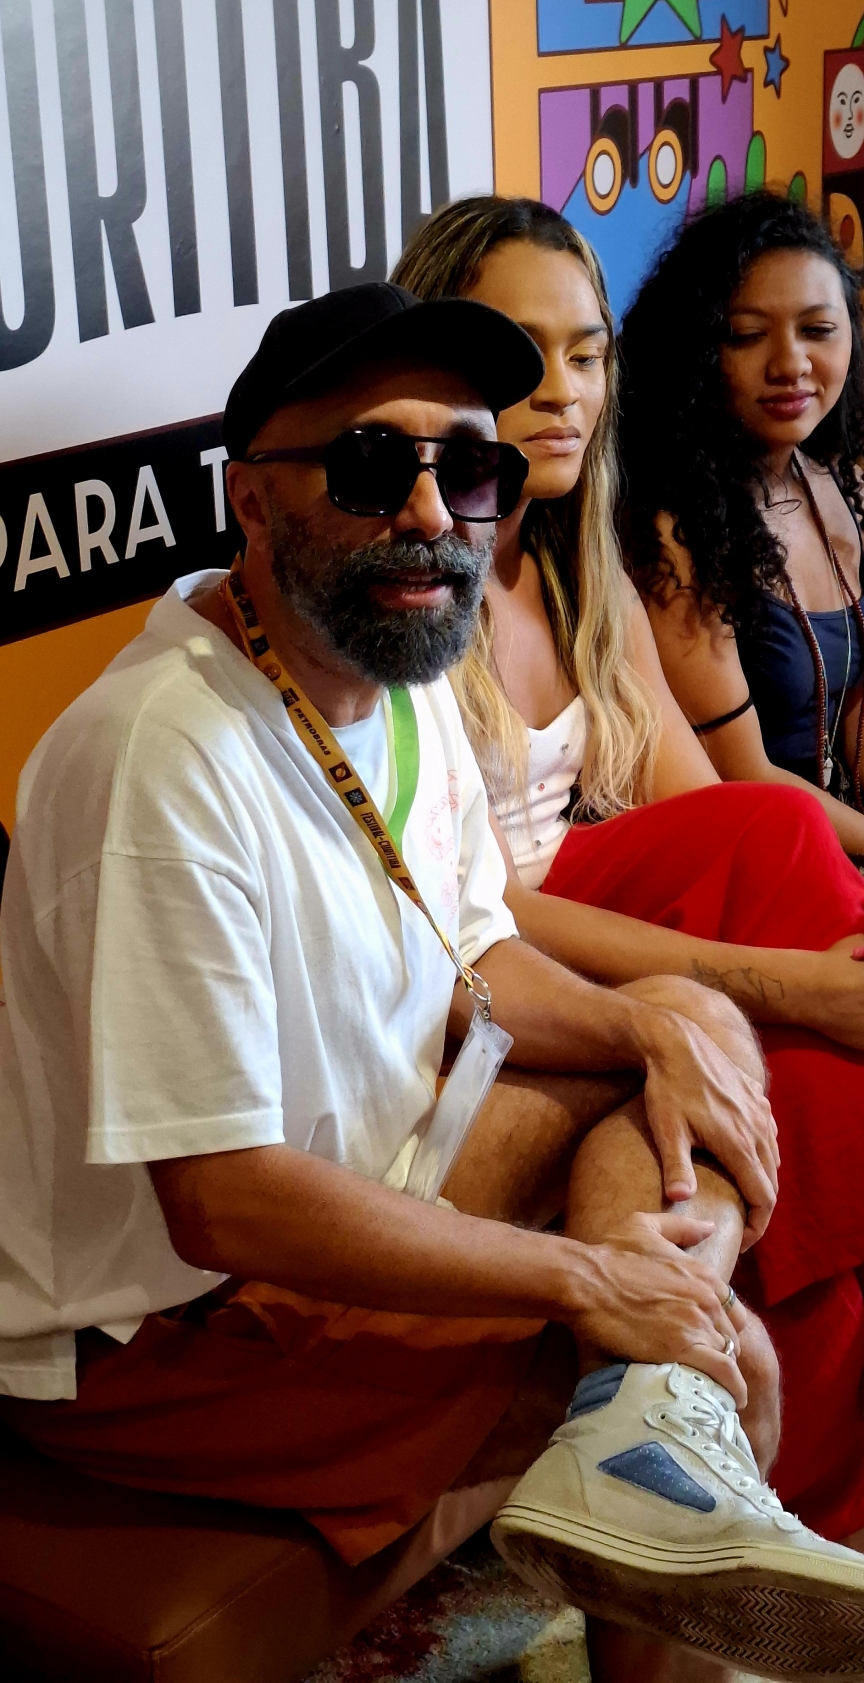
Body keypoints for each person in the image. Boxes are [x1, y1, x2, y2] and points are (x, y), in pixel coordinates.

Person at [1, 282, 859, 1683]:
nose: (428, 511)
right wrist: (588, 1279)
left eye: (465, 467)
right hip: (160, 1330)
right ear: (250, 500)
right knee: (689, 1360)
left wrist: (650, 1027)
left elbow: (480, 953)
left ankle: (651, 1434)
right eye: (366, 465)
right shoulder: (160, 759)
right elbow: (223, 1197)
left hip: (365, 1169)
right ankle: (652, 1430)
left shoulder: (389, 677)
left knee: (688, 1029)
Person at [392, 196, 864, 1580]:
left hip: (587, 918)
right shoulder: (406, 574)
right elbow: (469, 907)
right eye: (524, 353)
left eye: (588, 354)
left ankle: (744, 1489)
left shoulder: (575, 552)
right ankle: (806, 1490)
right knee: (789, 898)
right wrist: (793, 978)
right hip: (472, 963)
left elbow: (701, 803)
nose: (565, 391)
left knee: (795, 968)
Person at [617, 189, 864, 858]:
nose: (790, 365)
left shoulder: (838, 483)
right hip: (760, 856)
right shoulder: (673, 529)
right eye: (748, 335)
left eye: (818, 330)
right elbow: (741, 773)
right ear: (695, 350)